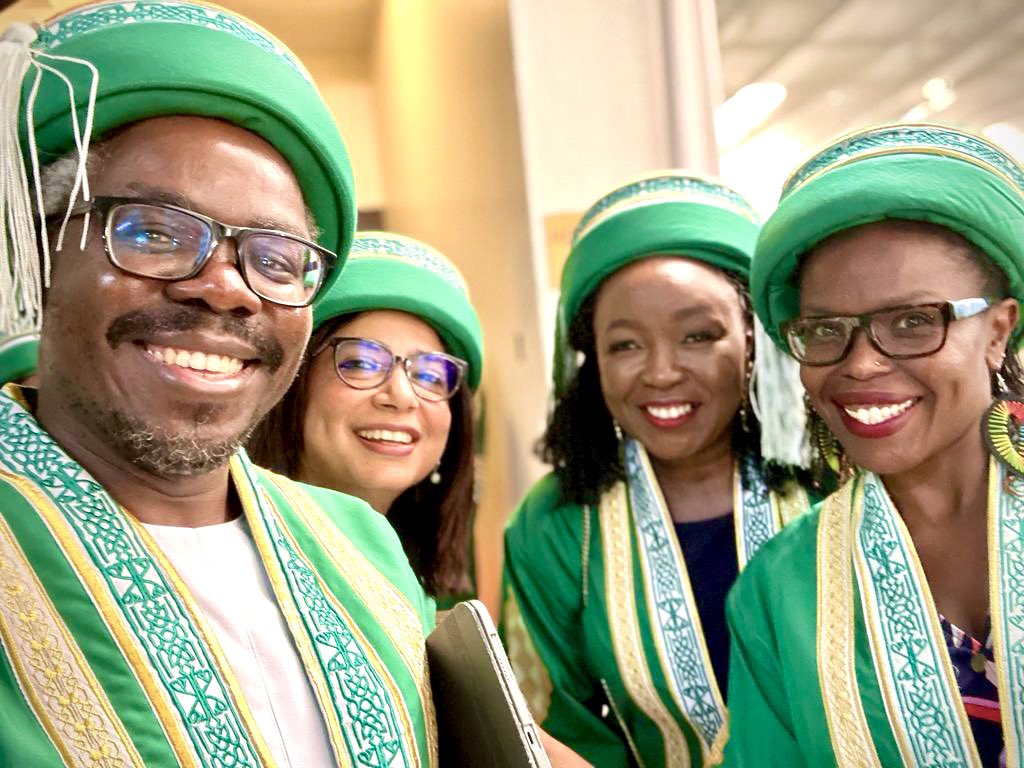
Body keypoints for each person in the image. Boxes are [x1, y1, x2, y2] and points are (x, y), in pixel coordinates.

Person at [0, 4, 436, 765]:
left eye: (275, 258)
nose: (228, 288)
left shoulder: (360, 544)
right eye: (155, 232)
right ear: (40, 252)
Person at [723, 123, 1024, 767]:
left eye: (914, 321)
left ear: (999, 329)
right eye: (826, 330)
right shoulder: (779, 590)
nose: (859, 365)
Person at [501, 171, 815, 767]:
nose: (662, 372)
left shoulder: (833, 483)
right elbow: (549, 726)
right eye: (625, 345)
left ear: (753, 340)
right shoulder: (556, 525)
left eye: (698, 335)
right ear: (590, 360)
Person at [249, 230, 482, 604]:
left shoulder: (429, 581)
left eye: (429, 375)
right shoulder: (236, 561)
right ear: (293, 383)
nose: (402, 396)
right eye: (360, 364)